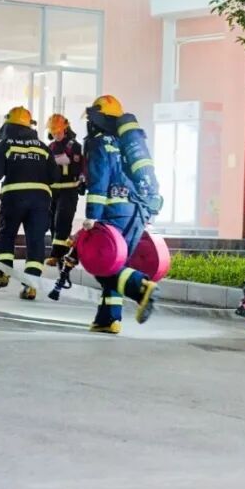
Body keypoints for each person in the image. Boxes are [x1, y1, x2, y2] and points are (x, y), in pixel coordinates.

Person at [0, 106, 59, 301]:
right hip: (40, 201)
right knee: (36, 241)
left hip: (14, 200)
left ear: (7, 124)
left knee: (6, 236)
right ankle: (31, 286)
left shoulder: (5, 145)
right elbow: (54, 176)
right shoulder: (43, 147)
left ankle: (3, 274)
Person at [81, 94, 157, 333]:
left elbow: (100, 180)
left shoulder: (99, 143)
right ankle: (108, 319)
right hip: (138, 212)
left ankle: (140, 286)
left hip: (115, 212)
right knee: (116, 263)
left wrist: (92, 215)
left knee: (104, 264)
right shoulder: (126, 142)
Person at [43, 113, 83, 270]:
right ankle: (58, 253)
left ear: (65, 129)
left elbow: (79, 166)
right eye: (53, 132)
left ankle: (57, 255)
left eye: (58, 132)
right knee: (52, 223)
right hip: (53, 190)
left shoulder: (74, 146)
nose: (56, 135)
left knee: (62, 221)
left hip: (69, 189)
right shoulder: (51, 147)